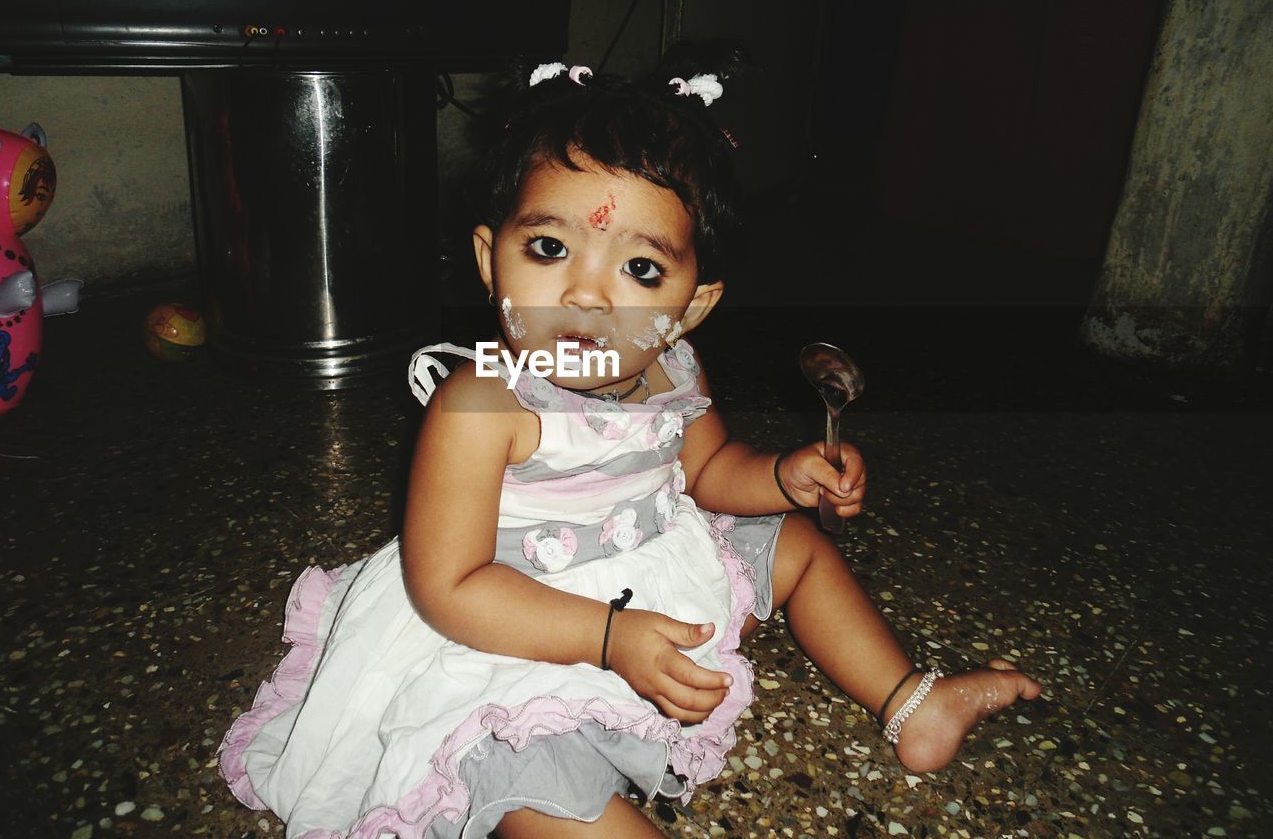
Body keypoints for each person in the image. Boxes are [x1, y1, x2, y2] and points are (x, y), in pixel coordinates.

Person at [217, 52, 1041, 839]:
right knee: (514, 762)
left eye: (642, 271)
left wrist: (787, 479)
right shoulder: (482, 405)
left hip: (653, 570)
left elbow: (712, 470)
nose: (586, 292)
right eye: (548, 248)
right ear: (487, 259)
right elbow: (451, 586)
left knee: (799, 551)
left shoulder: (673, 367)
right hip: (513, 629)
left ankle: (910, 700)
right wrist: (608, 639)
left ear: (692, 305)